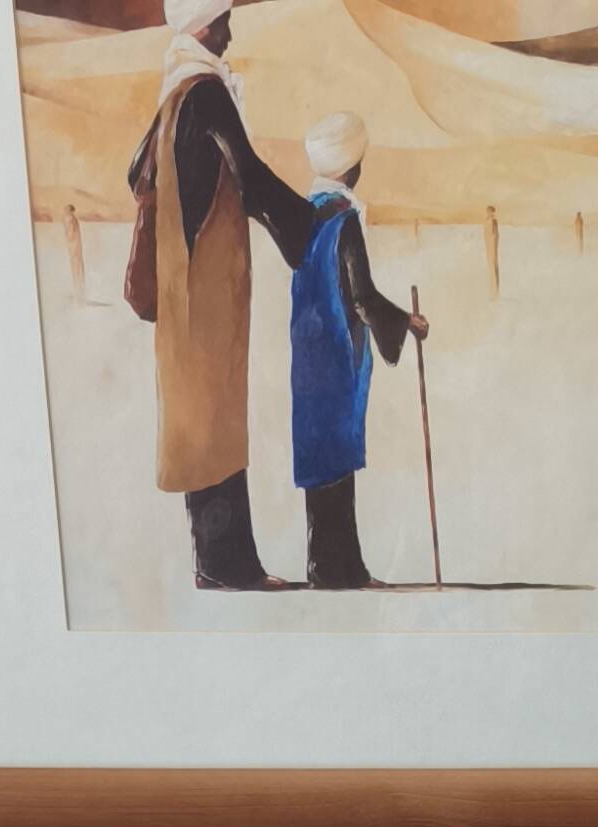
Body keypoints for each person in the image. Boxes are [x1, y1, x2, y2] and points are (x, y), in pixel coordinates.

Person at [125, 6, 323, 590]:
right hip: (207, 287)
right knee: (215, 420)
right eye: (225, 19)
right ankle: (229, 565)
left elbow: (135, 171)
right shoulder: (206, 92)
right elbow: (251, 177)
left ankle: (214, 561)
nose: (231, 31)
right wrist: (310, 230)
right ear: (205, 25)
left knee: (200, 419)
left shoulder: (174, 91)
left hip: (183, 283)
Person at [286, 118, 424, 591]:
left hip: (306, 350)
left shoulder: (303, 215)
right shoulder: (343, 219)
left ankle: (333, 566)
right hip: (338, 350)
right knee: (337, 456)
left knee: (320, 455)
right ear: (351, 169)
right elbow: (362, 297)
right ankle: (338, 569)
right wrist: (407, 322)